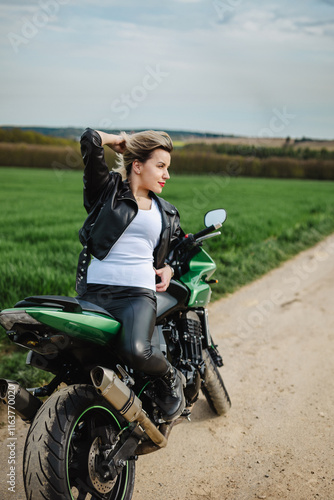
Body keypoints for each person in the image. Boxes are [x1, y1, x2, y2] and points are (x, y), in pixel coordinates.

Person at [76, 127, 185, 421]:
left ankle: (170, 376)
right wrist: (120, 142)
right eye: (160, 166)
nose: (166, 174)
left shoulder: (167, 212)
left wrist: (169, 267)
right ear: (137, 165)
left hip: (136, 295)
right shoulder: (107, 191)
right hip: (95, 291)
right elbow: (91, 138)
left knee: (136, 352)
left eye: (167, 168)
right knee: (82, 360)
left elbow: (177, 249)